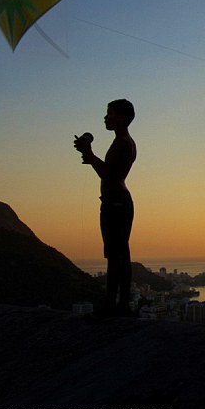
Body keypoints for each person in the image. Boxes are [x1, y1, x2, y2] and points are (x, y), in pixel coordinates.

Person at [74, 99, 138, 317]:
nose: (105, 117)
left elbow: (108, 174)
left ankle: (111, 306)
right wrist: (90, 156)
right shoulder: (126, 141)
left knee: (114, 255)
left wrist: (89, 153)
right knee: (122, 254)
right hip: (120, 200)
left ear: (121, 117)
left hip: (115, 202)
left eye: (109, 113)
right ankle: (122, 305)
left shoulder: (122, 142)